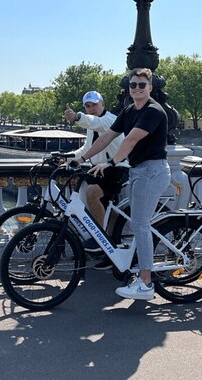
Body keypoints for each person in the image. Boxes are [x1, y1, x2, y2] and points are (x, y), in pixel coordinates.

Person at [72, 68, 170, 301]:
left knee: (140, 225)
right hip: (138, 170)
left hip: (152, 171)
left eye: (141, 85)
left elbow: (131, 139)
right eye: (133, 85)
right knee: (136, 223)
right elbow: (107, 137)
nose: (137, 88)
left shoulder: (154, 111)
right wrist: (81, 159)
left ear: (150, 88)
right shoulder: (128, 110)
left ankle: (146, 284)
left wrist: (110, 162)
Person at [65, 91, 129, 269]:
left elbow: (96, 122)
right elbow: (87, 148)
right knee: (110, 211)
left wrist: (78, 116)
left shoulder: (109, 120)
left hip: (115, 168)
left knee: (92, 193)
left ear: (103, 103)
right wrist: (67, 157)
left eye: (94, 105)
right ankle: (109, 250)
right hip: (99, 169)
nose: (91, 108)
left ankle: (98, 237)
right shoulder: (91, 126)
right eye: (87, 106)